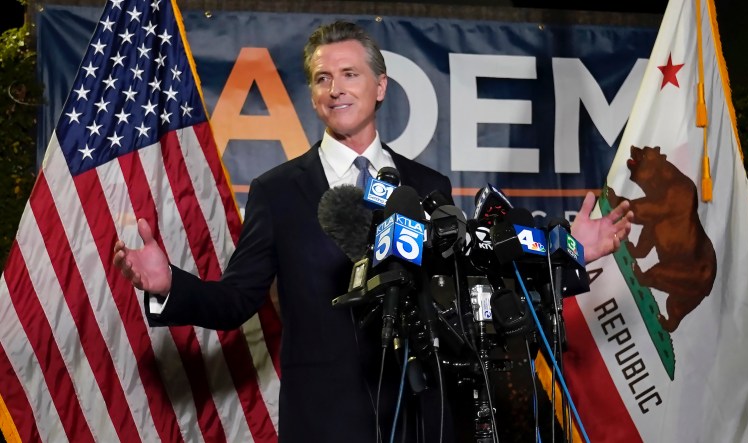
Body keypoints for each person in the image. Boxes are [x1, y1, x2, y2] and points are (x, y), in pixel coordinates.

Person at [113, 20, 633, 443]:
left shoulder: (427, 184)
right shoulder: (278, 191)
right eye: (322, 78)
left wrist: (567, 255)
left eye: (349, 74)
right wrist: (168, 286)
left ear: (380, 87)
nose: (335, 88)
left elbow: (471, 294)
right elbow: (234, 301)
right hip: (324, 423)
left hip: (422, 419)